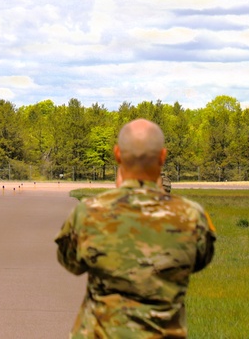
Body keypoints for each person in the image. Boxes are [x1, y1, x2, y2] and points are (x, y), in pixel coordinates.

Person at [55, 119, 216, 337]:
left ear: (117, 154)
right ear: (163, 156)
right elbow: (200, 261)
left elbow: (70, 263)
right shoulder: (191, 216)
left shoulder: (89, 213)